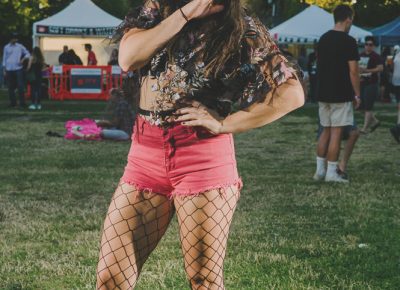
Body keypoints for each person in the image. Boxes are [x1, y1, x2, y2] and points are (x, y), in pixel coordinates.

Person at [95, 0, 304, 289]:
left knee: (203, 280)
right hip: (145, 157)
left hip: (203, 159)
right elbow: (129, 58)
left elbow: (291, 93)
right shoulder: (159, 9)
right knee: (110, 279)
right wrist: (187, 12)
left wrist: (224, 124)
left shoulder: (240, 25)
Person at [313, 4, 361, 183]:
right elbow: (353, 71)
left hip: (323, 92)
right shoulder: (349, 41)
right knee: (336, 133)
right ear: (348, 19)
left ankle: (319, 171)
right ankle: (332, 173)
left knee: (325, 130)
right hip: (341, 93)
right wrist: (357, 94)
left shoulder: (323, 39)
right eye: (351, 20)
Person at [359, 36, 384, 133]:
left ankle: (364, 129)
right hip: (361, 82)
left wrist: (367, 70)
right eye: (366, 44)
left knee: (368, 107)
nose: (368, 46)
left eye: (370, 45)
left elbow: (380, 68)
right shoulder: (360, 55)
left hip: (371, 83)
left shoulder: (376, 56)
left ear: (373, 46)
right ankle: (375, 121)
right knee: (361, 107)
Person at [2, 33, 31, 108]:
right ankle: (13, 103)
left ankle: (22, 103)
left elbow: (28, 53)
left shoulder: (20, 46)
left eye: (16, 38)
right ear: (11, 39)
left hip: (18, 68)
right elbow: (4, 58)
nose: (16, 40)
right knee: (10, 87)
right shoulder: (6, 47)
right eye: (14, 38)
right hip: (9, 69)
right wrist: (4, 70)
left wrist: (23, 59)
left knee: (20, 86)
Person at [389, 45, 400, 143]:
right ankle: (398, 126)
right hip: (396, 82)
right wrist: (391, 60)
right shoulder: (396, 54)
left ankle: (398, 126)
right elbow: (392, 67)